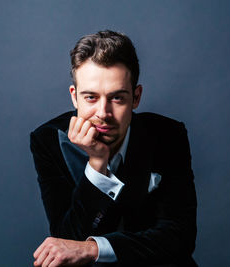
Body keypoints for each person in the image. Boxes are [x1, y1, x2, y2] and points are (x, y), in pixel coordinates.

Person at [30, 30, 197, 267]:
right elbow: (65, 242)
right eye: (90, 98)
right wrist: (97, 166)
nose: (103, 114)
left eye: (117, 98)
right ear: (74, 97)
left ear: (136, 97)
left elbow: (180, 238)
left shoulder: (168, 135)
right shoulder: (48, 140)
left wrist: (93, 248)